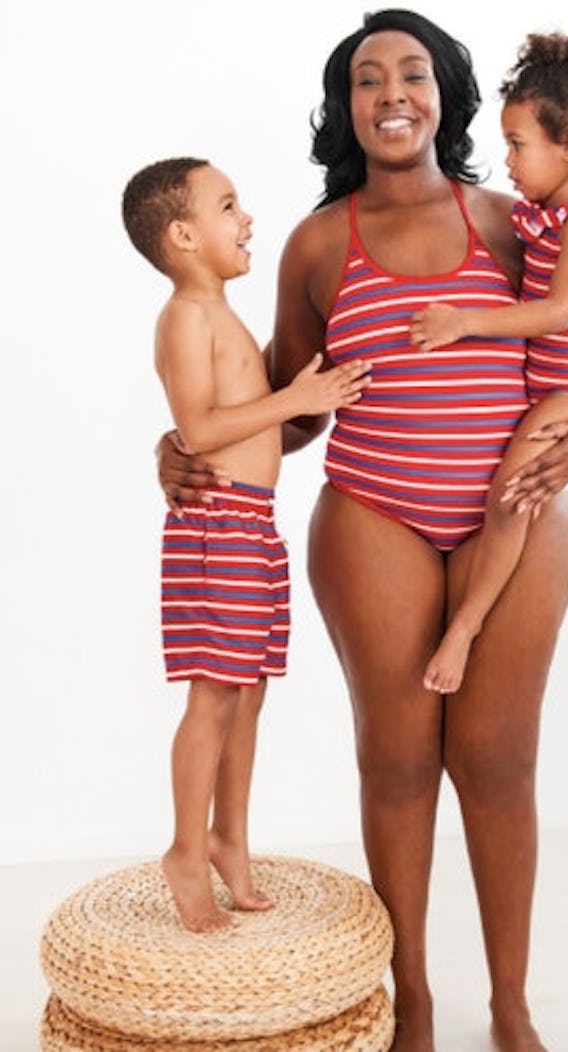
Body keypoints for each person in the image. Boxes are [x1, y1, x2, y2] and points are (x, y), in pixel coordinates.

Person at [157, 11, 568, 1049]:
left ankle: (509, 1003)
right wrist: (177, 445)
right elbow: (280, 396)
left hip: (520, 514)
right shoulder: (320, 242)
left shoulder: (517, 219)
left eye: (413, 73)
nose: (392, 92)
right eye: (368, 79)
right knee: (399, 758)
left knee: (498, 759)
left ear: (449, 94)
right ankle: (409, 994)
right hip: (374, 515)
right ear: (345, 107)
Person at [122, 157, 369, 933]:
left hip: (255, 524)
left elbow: (256, 417)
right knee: (213, 695)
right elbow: (198, 428)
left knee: (249, 691)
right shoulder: (186, 319)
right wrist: (296, 397)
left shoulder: (224, 318)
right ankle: (185, 851)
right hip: (216, 526)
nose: (248, 219)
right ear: (184, 235)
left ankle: (231, 835)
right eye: (229, 207)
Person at [409, 32, 568, 693]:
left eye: (518, 145)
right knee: (508, 497)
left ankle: (464, 630)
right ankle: (463, 625)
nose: (508, 161)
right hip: (552, 387)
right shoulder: (544, 215)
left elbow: (559, 313)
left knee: (509, 500)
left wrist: (462, 324)